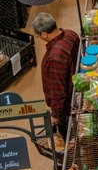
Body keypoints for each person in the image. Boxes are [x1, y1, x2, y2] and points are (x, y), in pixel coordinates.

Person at [32, 12, 80, 140]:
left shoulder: (55, 57)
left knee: (69, 136)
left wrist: (55, 115)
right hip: (78, 89)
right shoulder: (71, 34)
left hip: (67, 106)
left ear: (44, 34)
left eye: (38, 35)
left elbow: (58, 90)